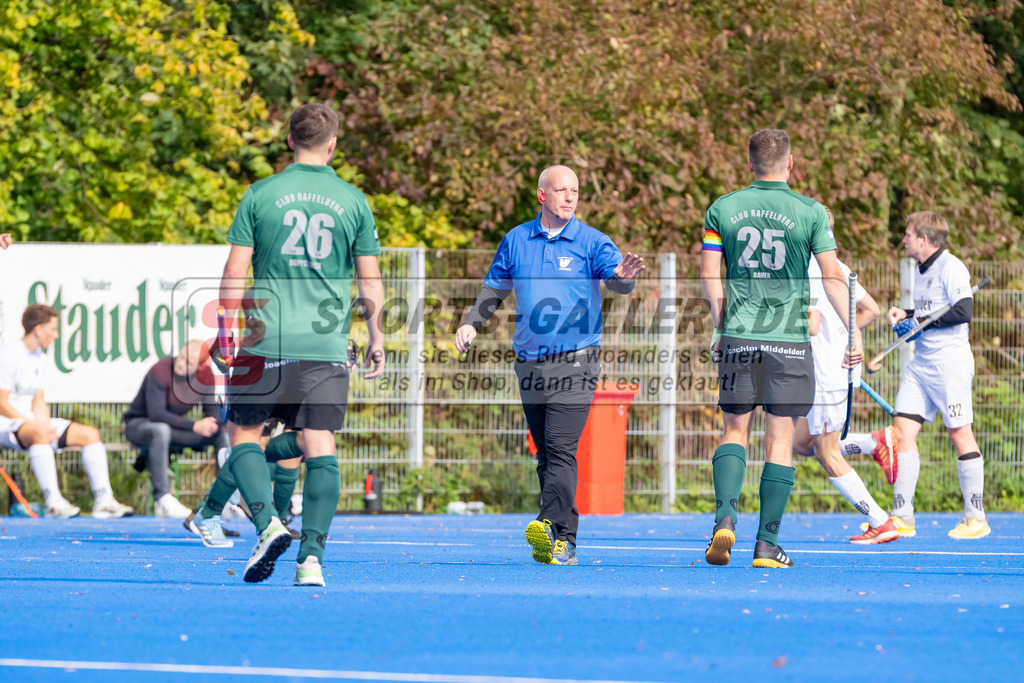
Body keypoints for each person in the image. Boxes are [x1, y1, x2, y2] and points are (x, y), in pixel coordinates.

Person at [216, 103, 385, 586]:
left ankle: (267, 522)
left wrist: (225, 328)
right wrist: (375, 337)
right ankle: (311, 560)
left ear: (290, 140)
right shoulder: (353, 200)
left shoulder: (260, 193)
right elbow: (368, 280)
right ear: (332, 144)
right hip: (326, 343)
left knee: (245, 436)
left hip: (264, 337)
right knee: (320, 445)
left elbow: (235, 270)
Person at [454, 164, 646, 566]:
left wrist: (625, 278)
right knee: (546, 454)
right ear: (543, 195)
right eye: (562, 190)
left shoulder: (591, 241)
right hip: (529, 364)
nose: (571, 197)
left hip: (576, 362)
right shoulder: (516, 239)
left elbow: (617, 279)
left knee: (560, 447)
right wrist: (472, 323)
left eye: (575, 190)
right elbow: (495, 287)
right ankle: (563, 539)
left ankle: (549, 523)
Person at [700, 128, 862, 569]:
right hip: (788, 342)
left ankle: (724, 517)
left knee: (735, 431)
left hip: (739, 335)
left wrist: (721, 323)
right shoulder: (810, 212)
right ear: (790, 164)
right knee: (781, 440)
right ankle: (766, 545)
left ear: (749, 164)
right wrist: (853, 329)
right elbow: (831, 276)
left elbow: (710, 274)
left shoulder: (723, 208)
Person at [791, 208, 899, 544]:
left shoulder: (804, 269)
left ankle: (880, 520)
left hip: (824, 372)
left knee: (827, 453)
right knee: (801, 444)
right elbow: (871, 310)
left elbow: (810, 324)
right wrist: (844, 333)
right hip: (832, 370)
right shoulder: (836, 267)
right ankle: (872, 442)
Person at [884, 212, 987, 539]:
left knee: (959, 434)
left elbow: (962, 311)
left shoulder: (951, 266)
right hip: (922, 364)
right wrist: (907, 313)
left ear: (925, 240)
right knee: (902, 431)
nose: (904, 239)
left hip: (949, 364)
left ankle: (976, 517)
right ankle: (903, 516)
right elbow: (932, 310)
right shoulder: (920, 269)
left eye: (909, 234)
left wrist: (920, 321)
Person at [0, 304, 133, 518]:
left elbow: (39, 401)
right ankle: (53, 503)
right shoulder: (8, 354)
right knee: (41, 434)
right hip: (6, 421)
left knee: (90, 434)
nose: (56, 334)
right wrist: (35, 426)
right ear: (38, 329)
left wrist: (43, 424)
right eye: (53, 329)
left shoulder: (40, 358)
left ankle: (105, 501)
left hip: (30, 422)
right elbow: (2, 403)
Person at [123, 340, 230, 518]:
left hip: (173, 430)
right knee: (160, 430)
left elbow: (212, 414)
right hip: (139, 425)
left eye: (188, 362)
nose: (180, 363)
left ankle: (223, 500)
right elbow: (156, 413)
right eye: (181, 357)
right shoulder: (161, 369)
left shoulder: (206, 377)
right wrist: (195, 425)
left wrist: (213, 424)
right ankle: (162, 498)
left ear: (201, 366)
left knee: (221, 434)